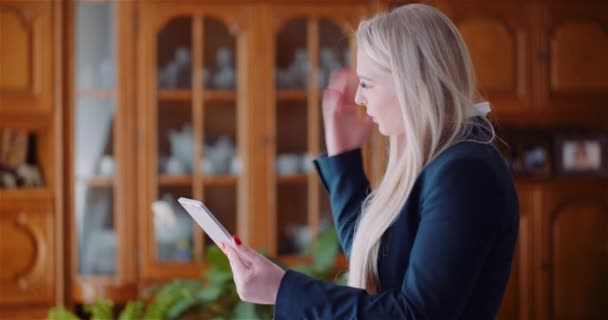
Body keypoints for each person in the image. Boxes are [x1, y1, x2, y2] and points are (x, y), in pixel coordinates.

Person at [220, 3, 519, 319]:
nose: (360, 98)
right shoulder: (442, 161)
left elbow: (417, 314)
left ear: (411, 83)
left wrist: (282, 289)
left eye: (367, 83)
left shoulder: (463, 173)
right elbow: (380, 260)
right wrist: (343, 156)